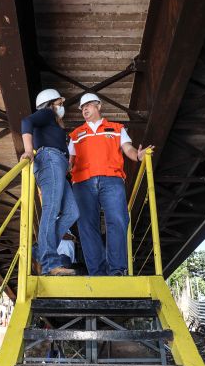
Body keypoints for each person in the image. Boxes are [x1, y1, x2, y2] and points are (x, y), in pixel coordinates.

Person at [68, 93, 152, 276]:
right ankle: (97, 272)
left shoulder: (116, 128)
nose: (84, 110)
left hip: (111, 180)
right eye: (82, 108)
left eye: (88, 106)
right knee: (87, 225)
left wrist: (138, 156)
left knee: (118, 220)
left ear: (98, 106)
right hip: (82, 182)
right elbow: (70, 160)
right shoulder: (75, 134)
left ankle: (116, 269)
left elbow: (128, 148)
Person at [21, 89, 79, 276]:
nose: (62, 107)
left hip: (58, 164)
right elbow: (26, 121)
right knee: (51, 209)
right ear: (50, 103)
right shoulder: (46, 113)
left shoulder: (52, 122)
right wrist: (29, 150)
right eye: (59, 103)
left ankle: (41, 250)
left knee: (72, 212)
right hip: (49, 160)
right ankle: (49, 263)